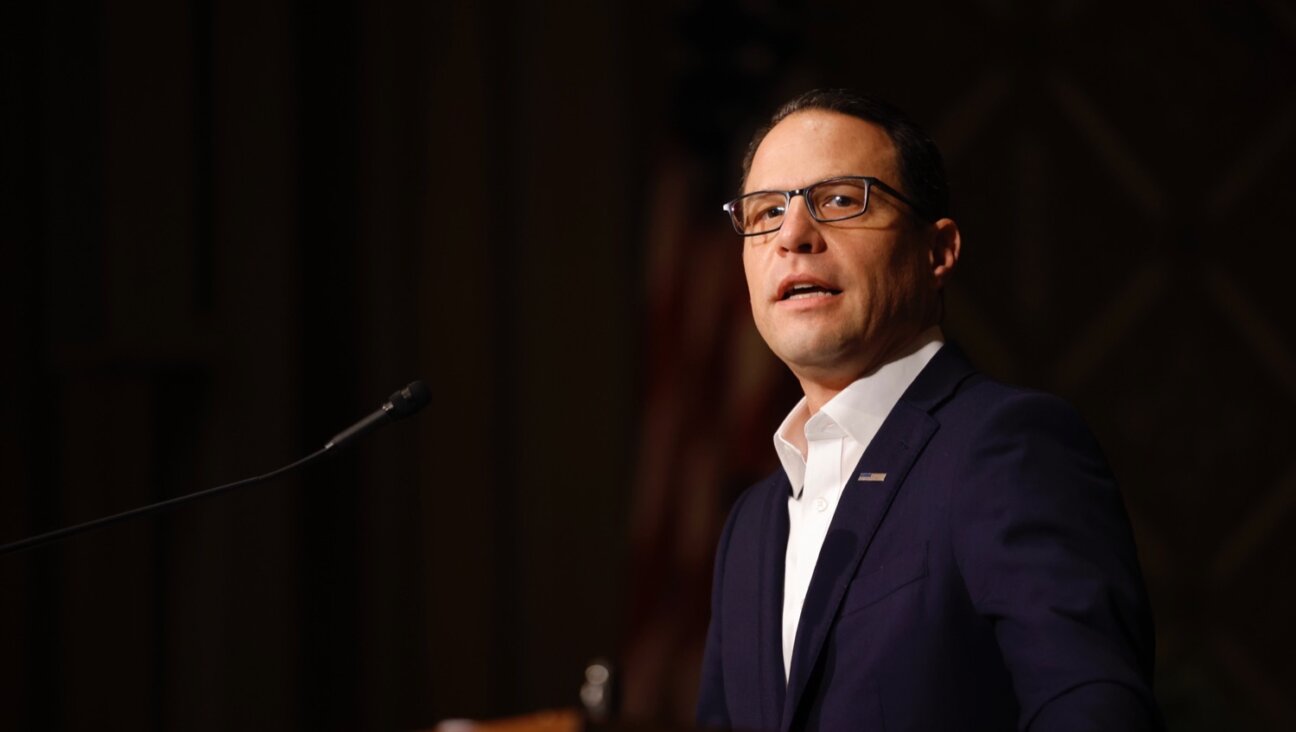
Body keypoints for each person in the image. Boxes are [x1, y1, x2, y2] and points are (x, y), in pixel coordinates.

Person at [695, 89, 1161, 731]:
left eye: (838, 200)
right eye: (767, 211)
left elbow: (1091, 710)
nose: (794, 236)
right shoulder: (749, 526)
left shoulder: (1006, 448)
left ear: (937, 251)